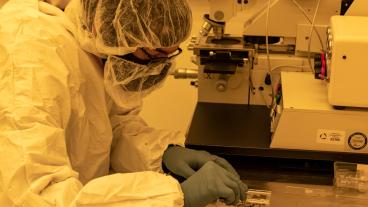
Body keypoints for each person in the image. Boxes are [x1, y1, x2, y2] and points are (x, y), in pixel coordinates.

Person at [0, 0, 247, 206]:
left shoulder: (92, 43)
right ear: (110, 24)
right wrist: (173, 197)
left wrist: (163, 155)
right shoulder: (29, 54)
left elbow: (109, 128)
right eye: (152, 54)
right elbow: (35, 195)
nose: (155, 68)